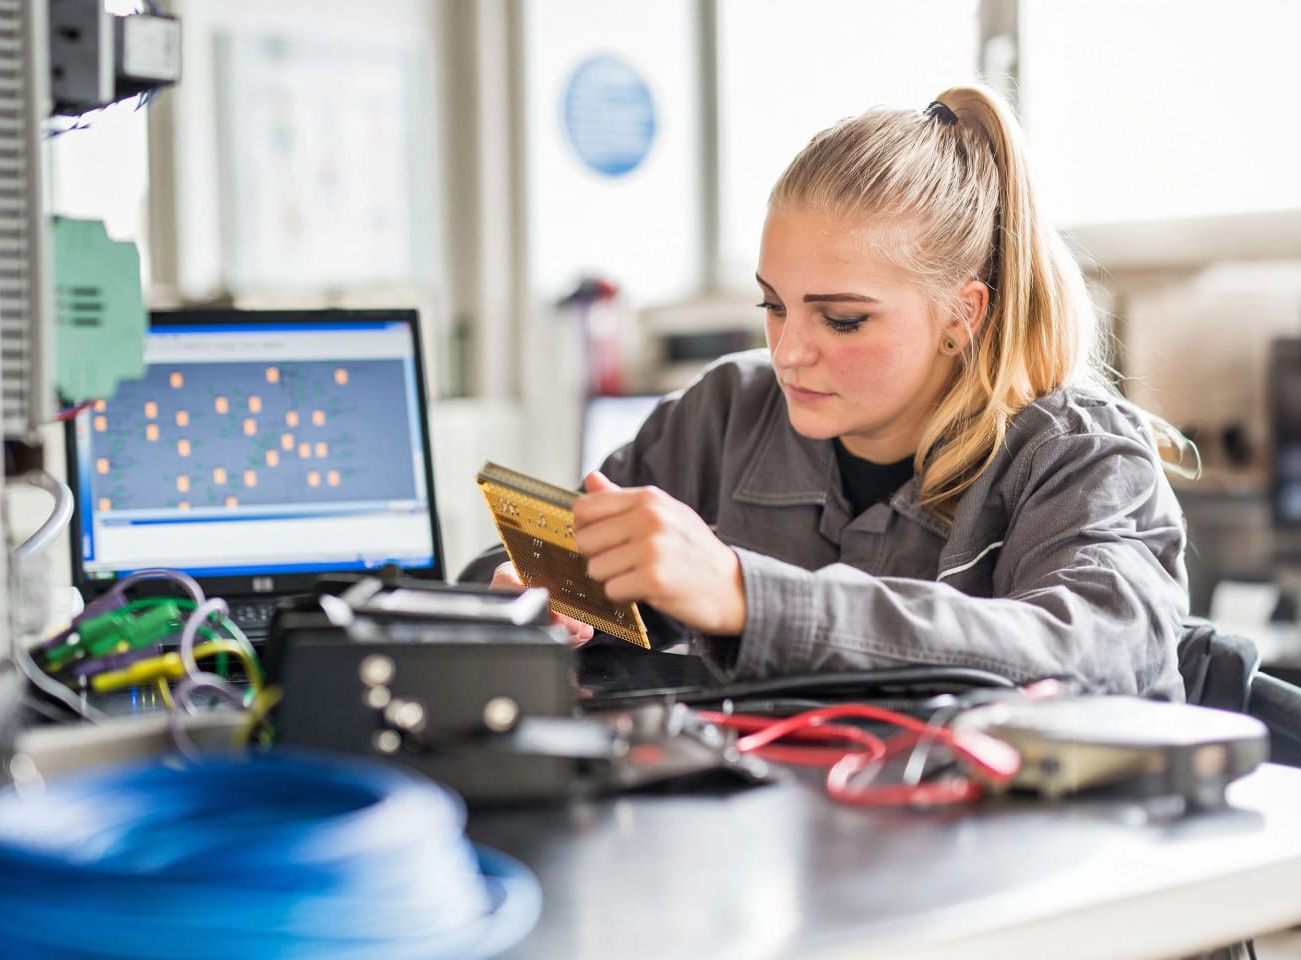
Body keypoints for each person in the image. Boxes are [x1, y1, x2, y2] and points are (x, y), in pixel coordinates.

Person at [469, 84, 1192, 699]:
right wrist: (529, 601)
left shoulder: (1080, 458)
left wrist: (747, 597)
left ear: (962, 315)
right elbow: (503, 574)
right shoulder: (724, 415)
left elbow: (1100, 655)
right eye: (773, 306)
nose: (787, 353)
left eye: (843, 319)